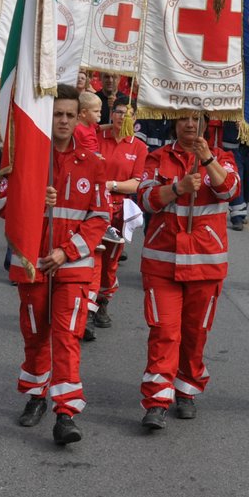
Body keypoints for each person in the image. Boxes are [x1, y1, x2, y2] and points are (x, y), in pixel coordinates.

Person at [6, 86, 109, 446]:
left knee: (66, 338)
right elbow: (6, 209)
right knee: (35, 335)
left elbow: (100, 217)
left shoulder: (93, 163)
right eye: (57, 114)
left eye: (69, 114)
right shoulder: (28, 159)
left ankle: (65, 412)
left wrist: (66, 251)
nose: (63, 120)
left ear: (78, 117)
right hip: (33, 264)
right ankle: (36, 396)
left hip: (73, 266)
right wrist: (33, 198)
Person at [135, 110, 239, 430]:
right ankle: (156, 400)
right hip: (162, 261)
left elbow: (230, 190)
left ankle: (186, 390)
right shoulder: (157, 158)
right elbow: (146, 199)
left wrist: (208, 160)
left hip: (206, 265)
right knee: (165, 331)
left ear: (207, 124)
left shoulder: (223, 157)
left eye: (196, 120)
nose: (190, 125)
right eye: (182, 119)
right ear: (174, 123)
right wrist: (177, 188)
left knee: (195, 335)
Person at [89, 94, 146, 330]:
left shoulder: (139, 147)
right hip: (91, 205)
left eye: (128, 113)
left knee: (110, 261)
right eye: (119, 112)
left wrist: (110, 185)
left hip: (118, 210)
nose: (123, 117)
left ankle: (102, 302)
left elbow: (135, 183)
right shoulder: (96, 137)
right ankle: (85, 307)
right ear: (111, 113)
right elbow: (84, 126)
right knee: (91, 256)